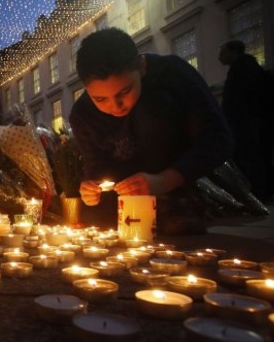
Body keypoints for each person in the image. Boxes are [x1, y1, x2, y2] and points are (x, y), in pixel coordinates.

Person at [69, 27, 233, 234]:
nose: (116, 105)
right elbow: (96, 163)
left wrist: (165, 181)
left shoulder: (172, 73)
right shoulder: (82, 114)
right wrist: (91, 187)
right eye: (100, 99)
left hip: (182, 183)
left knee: (154, 105)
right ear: (86, 89)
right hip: (125, 195)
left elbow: (219, 138)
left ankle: (176, 205)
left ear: (142, 67)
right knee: (94, 220)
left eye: (125, 91)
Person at [219, 40, 274, 202]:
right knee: (250, 156)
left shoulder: (243, 68)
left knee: (249, 157)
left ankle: (256, 193)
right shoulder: (244, 68)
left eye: (223, 51)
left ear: (234, 51)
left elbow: (239, 100)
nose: (220, 56)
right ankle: (257, 192)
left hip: (246, 122)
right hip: (246, 121)